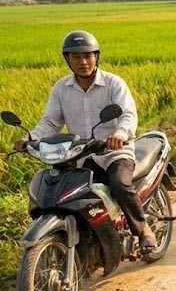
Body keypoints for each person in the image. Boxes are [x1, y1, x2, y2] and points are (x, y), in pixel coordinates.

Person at [17, 30, 156, 252]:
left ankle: (143, 230)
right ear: (67, 59)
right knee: (65, 194)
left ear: (96, 56)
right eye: (76, 57)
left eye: (88, 56)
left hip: (114, 152)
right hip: (79, 155)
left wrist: (120, 134)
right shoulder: (61, 88)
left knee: (119, 183)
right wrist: (31, 138)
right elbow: (51, 121)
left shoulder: (113, 83)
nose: (83, 62)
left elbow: (128, 114)